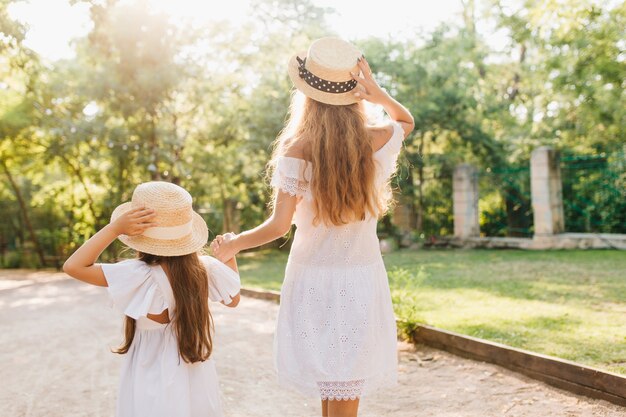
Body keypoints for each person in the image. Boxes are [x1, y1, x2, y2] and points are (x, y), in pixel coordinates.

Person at [212, 37, 414, 417]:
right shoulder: (380, 138)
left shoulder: (297, 149)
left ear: (307, 95)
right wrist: (379, 94)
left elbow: (277, 227)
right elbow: (406, 121)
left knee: (332, 385)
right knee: (344, 385)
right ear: (353, 94)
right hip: (361, 277)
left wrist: (234, 244)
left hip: (312, 279)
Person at [63, 181, 241, 417]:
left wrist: (113, 229)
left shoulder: (139, 275)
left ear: (138, 234)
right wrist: (229, 256)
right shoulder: (204, 269)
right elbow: (233, 299)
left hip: (150, 370)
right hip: (195, 372)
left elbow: (73, 266)